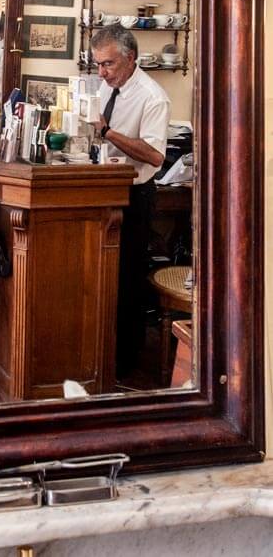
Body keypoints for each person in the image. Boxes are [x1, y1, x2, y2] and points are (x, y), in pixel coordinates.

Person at [90, 25, 171, 377]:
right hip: (104, 191)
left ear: (130, 58)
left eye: (107, 64)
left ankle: (126, 364)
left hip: (135, 197)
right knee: (104, 278)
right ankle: (101, 354)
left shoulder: (153, 97)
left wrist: (108, 132)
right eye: (97, 64)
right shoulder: (107, 86)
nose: (101, 72)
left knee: (127, 280)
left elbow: (154, 156)